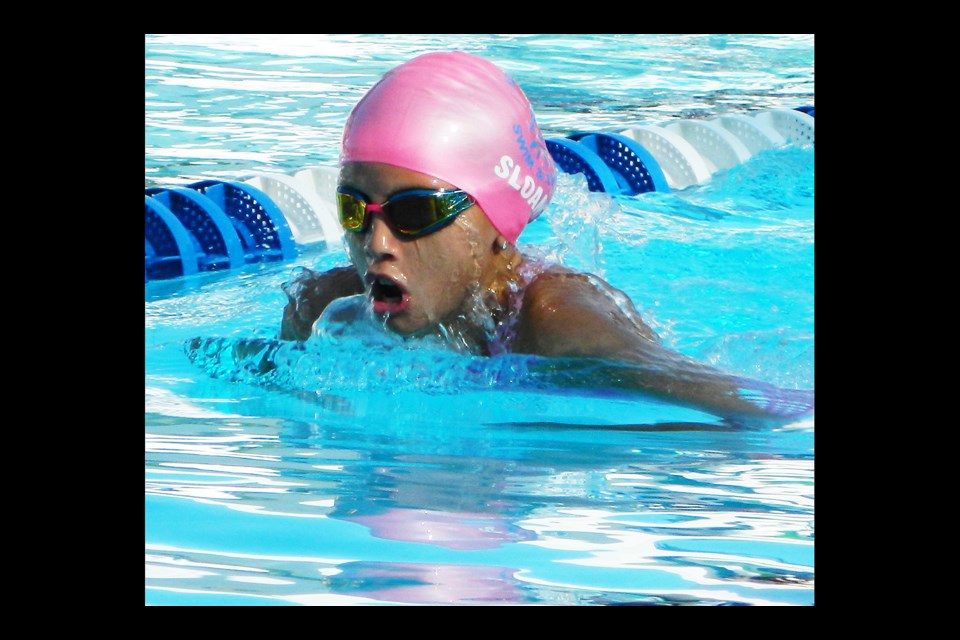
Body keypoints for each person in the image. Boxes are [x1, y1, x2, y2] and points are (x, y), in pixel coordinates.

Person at [278, 51, 813, 426]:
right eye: (355, 209)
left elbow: (750, 411)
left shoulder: (558, 324)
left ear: (496, 223)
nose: (376, 240)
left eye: (415, 212)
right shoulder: (325, 308)